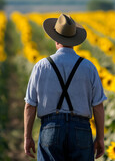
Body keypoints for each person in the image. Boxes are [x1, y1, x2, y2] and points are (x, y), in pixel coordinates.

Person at [24, 14, 107, 161]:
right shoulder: (89, 67)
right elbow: (98, 106)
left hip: (51, 126)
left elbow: (30, 105)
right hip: (81, 129)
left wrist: (27, 136)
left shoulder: (41, 66)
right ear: (74, 40)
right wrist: (100, 138)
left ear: (56, 39)